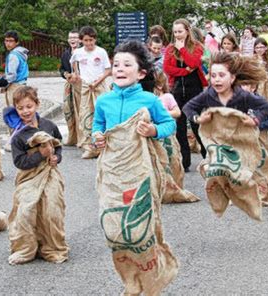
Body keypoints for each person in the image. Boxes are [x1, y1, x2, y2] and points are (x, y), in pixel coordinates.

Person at [92, 40, 178, 295]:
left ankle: (150, 279)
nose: (119, 68)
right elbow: (96, 125)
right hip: (112, 172)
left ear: (141, 73)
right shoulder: (103, 101)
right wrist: (97, 136)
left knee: (140, 230)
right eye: (116, 64)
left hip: (140, 171)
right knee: (114, 228)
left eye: (126, 64)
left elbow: (169, 126)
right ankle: (129, 278)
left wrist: (152, 130)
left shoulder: (149, 100)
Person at [3, 86, 68, 265]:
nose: (25, 111)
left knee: (51, 211)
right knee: (24, 212)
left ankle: (53, 248)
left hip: (50, 174)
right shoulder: (18, 136)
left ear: (37, 105)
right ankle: (25, 248)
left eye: (29, 106)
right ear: (16, 109)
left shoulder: (49, 126)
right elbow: (19, 162)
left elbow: (59, 146)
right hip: (29, 177)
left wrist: (56, 157)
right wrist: (41, 154)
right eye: (21, 108)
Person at [183, 52, 268, 142]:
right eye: (213, 76)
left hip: (240, 140)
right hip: (218, 140)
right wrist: (197, 118)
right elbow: (188, 108)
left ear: (232, 78)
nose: (217, 79)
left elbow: (267, 107)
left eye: (221, 75)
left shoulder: (242, 95)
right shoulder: (208, 95)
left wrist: (255, 121)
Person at [164, 18, 208, 171]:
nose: (177, 35)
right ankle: (185, 161)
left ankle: (207, 156)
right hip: (177, 89)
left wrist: (182, 49)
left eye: (180, 31)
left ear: (187, 31)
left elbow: (194, 63)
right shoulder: (170, 48)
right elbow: (167, 68)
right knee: (180, 126)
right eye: (175, 32)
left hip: (194, 89)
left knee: (196, 124)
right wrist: (183, 71)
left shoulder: (196, 46)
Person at [70, 26, 111, 159]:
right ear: (81, 40)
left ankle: (103, 145)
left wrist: (98, 81)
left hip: (99, 86)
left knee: (101, 114)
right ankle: (89, 146)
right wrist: (76, 75)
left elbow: (108, 70)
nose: (89, 43)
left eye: (91, 40)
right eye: (86, 40)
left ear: (95, 39)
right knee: (86, 114)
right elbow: (73, 62)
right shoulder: (78, 52)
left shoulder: (101, 52)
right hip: (86, 87)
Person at [59, 29, 81, 146]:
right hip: (69, 85)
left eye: (75, 37)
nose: (72, 40)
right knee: (69, 110)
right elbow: (62, 69)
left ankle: (83, 138)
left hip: (81, 85)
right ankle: (73, 137)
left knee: (81, 110)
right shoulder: (66, 53)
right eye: (70, 38)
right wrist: (66, 74)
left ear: (80, 40)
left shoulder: (84, 52)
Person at [3, 30, 29, 107]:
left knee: (14, 111)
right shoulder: (20, 54)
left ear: (17, 42)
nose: (8, 43)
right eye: (6, 41)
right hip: (22, 85)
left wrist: (3, 84)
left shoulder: (13, 55)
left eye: (11, 41)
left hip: (14, 87)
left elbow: (12, 75)